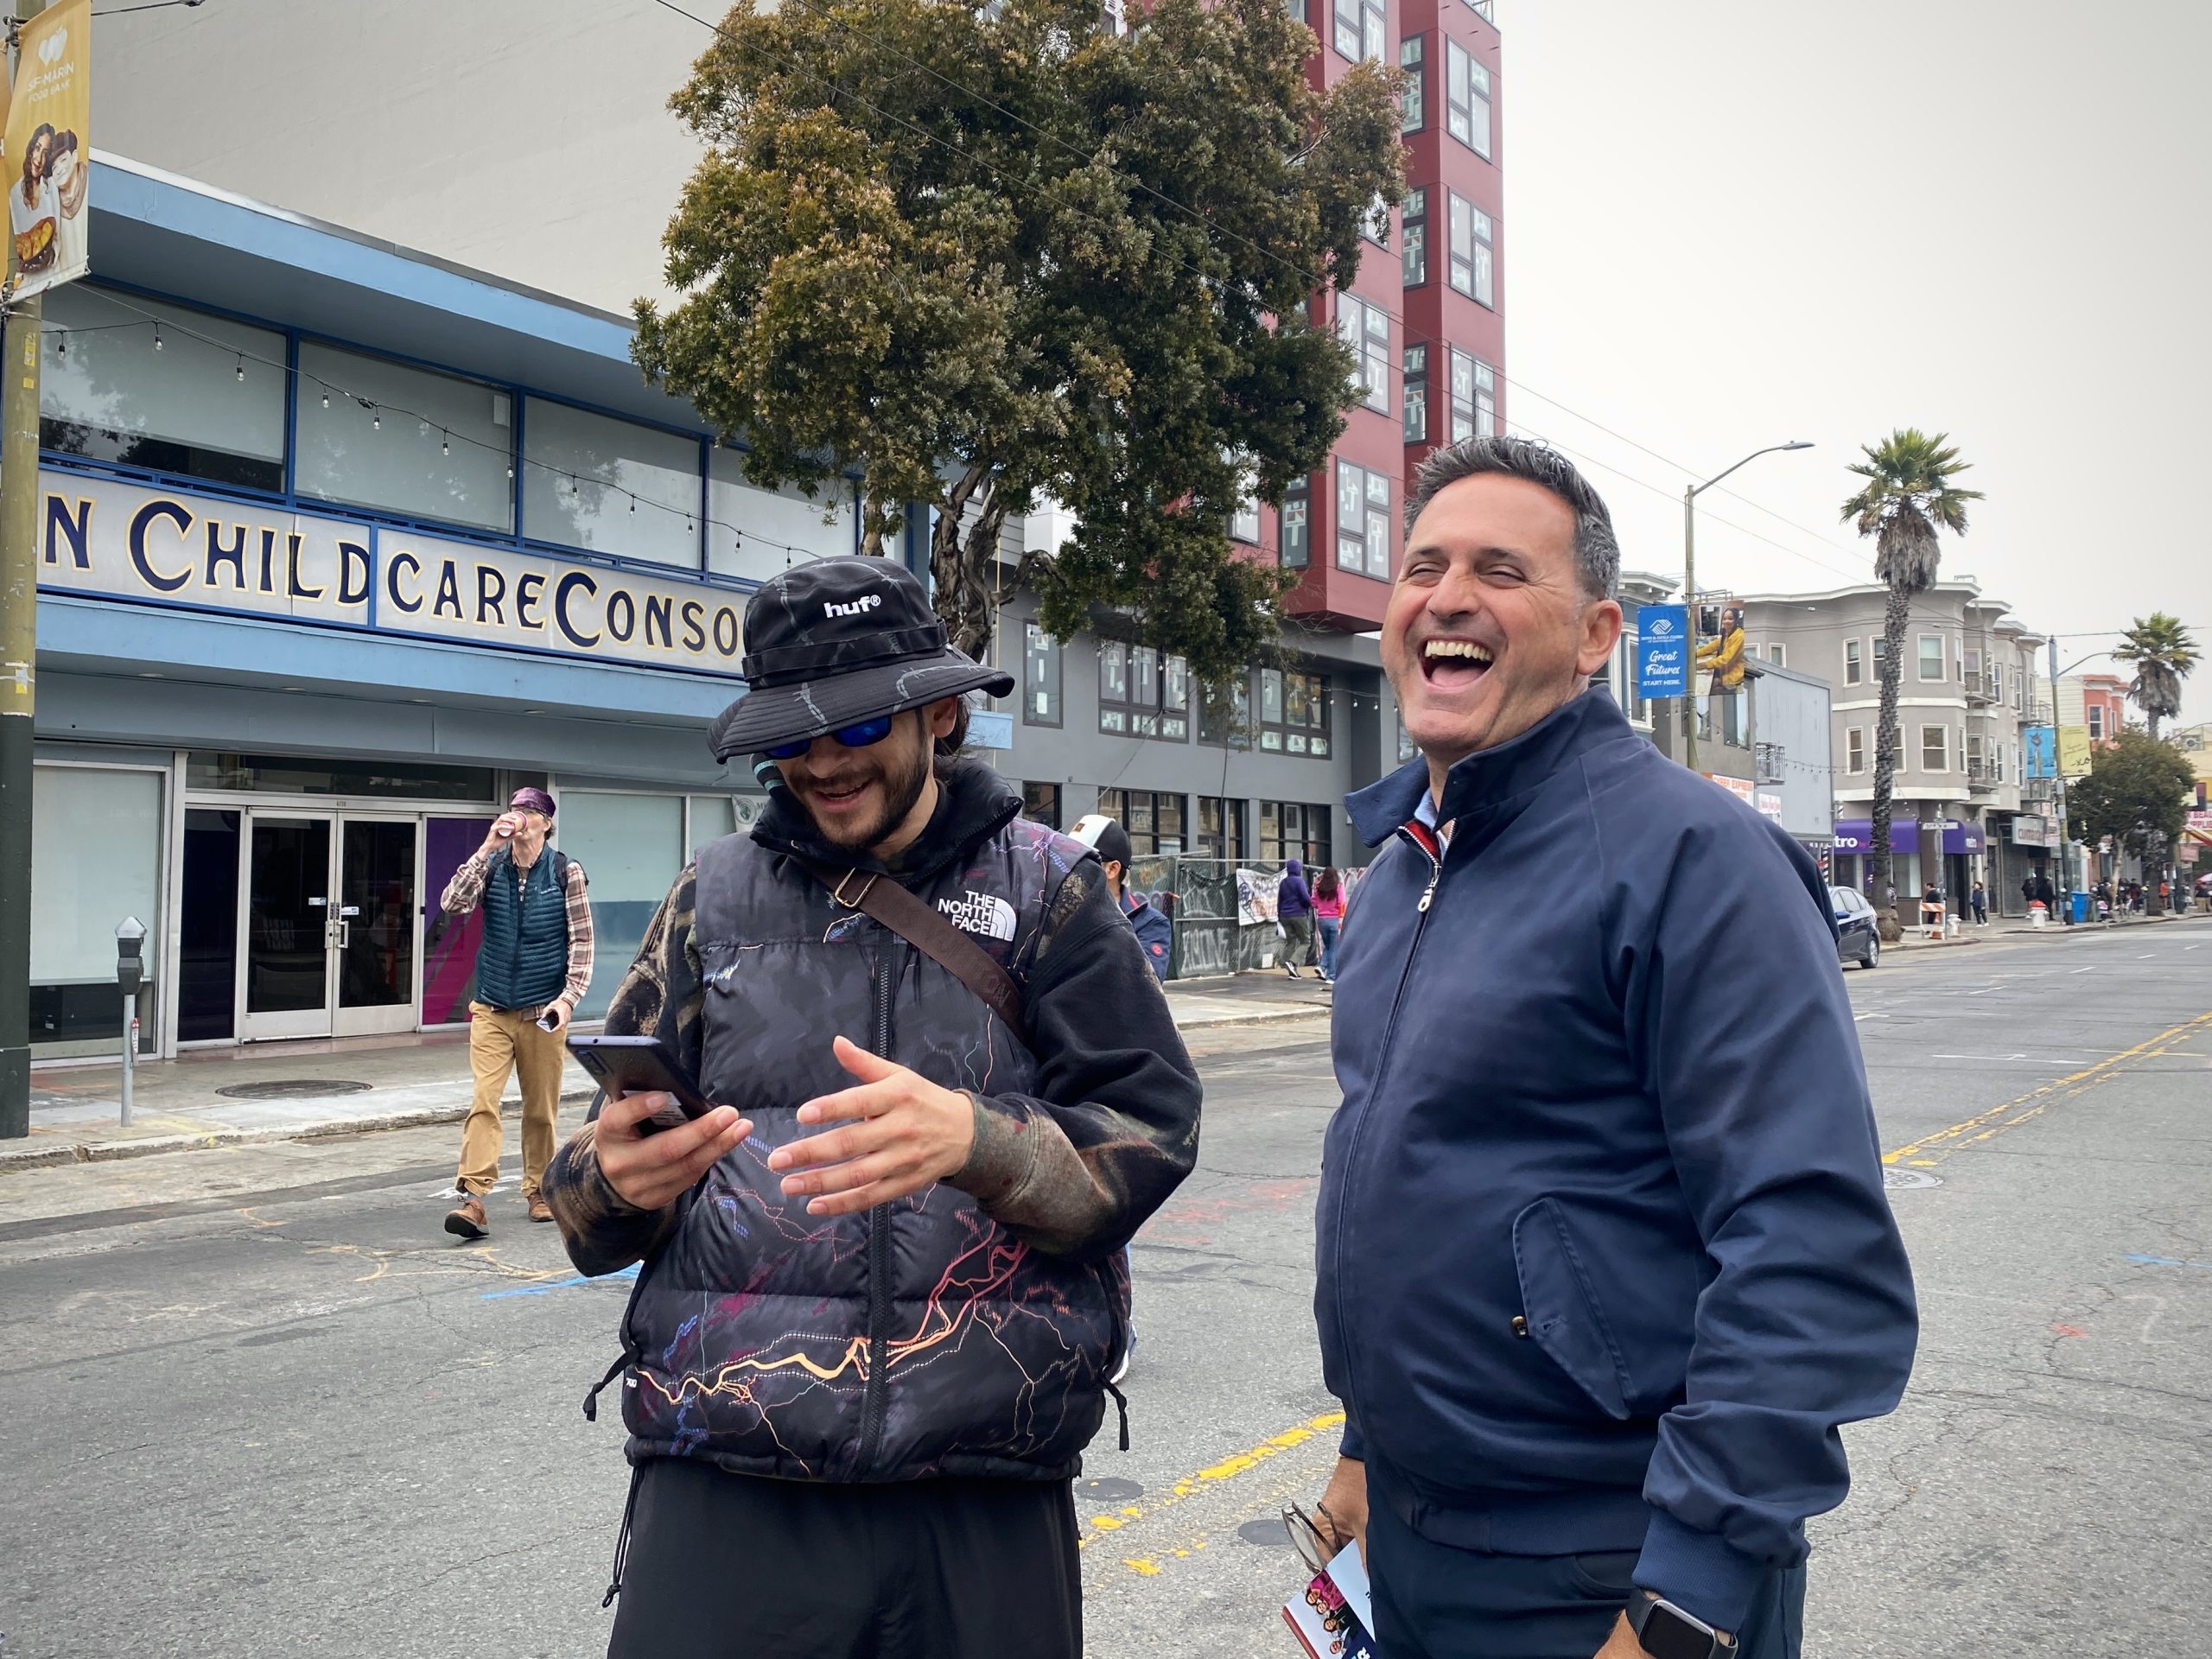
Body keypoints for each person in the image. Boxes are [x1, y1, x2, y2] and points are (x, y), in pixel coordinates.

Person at [1309, 436, 1916, 1659]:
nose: (1447, 597)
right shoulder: (1394, 880)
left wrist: (1683, 1601)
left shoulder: (1696, 861)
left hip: (1607, 1568)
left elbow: (1810, 1254)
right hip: (1421, 1549)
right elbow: (1422, 1194)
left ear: (1594, 637)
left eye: (1498, 569)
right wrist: (1364, 1451)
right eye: (1423, 565)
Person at [540, 556, 1200, 1659]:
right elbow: (593, 1191)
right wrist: (605, 1183)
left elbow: (1151, 1133)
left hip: (979, 1495)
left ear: (938, 715)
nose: (821, 764)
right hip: (724, 1483)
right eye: (792, 738)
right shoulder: (711, 896)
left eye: (854, 731)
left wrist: (981, 1143)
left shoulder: (1051, 892)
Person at [438, 786, 592, 1236]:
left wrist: (567, 1000)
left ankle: (539, 1189)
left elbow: (582, 943)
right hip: (491, 1007)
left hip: (543, 1011)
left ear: (546, 823)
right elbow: (453, 903)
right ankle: (472, 1199)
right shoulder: (493, 866)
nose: (520, 816)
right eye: (515, 809)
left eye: (530, 811)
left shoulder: (566, 871)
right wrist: (487, 847)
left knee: (540, 1109)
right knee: (484, 1102)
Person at [1069, 812, 1173, 983]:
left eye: (1081, 859)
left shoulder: (1149, 923)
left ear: (1112, 869)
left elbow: (1144, 984)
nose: (1069, 866)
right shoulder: (1053, 911)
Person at [1278, 856, 1316, 977]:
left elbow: (1279, 900)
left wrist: (1279, 914)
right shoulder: (1299, 881)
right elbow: (1305, 897)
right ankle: (1292, 962)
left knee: (1291, 941)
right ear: (1298, 869)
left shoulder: (1283, 882)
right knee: (1305, 941)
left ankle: (1288, 966)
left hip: (1284, 915)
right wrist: (1308, 906)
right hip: (1298, 914)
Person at [1312, 867, 1346, 981]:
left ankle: (1322, 966)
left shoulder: (1318, 888)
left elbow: (1314, 903)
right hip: (1335, 920)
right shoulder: (1338, 887)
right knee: (1334, 949)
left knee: (1329, 946)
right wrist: (1341, 920)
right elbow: (1342, 903)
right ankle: (1331, 976)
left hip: (1322, 921)